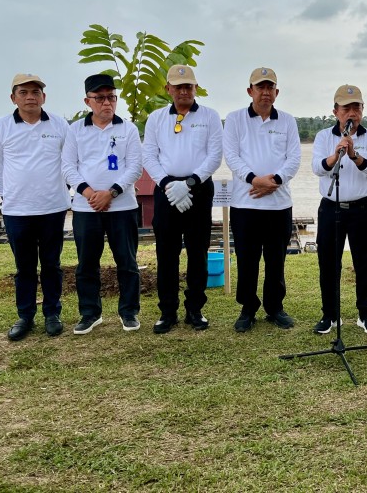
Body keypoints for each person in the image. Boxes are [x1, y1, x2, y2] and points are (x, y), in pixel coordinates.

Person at [0, 73, 70, 341]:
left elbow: (70, 163)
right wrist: (7, 195)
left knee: (51, 264)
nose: (30, 96)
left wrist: (66, 191)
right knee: (24, 267)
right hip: (17, 210)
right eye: (23, 92)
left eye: (36, 92)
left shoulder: (59, 124)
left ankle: (52, 314)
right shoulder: (0, 127)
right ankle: (25, 316)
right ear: (13, 98)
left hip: (53, 208)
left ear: (44, 97)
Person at [142, 65, 223, 334]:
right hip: (166, 192)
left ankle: (195, 310)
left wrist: (189, 184)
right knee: (166, 253)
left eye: (188, 86)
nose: (184, 91)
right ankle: (168, 311)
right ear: (168, 89)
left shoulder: (210, 117)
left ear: (195, 88)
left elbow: (214, 156)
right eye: (178, 86)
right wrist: (168, 185)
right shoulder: (155, 118)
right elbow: (149, 156)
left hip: (198, 190)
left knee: (198, 252)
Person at [62, 74, 143, 334]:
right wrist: (89, 193)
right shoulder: (75, 129)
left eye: (111, 97)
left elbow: (135, 167)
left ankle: (129, 312)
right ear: (88, 101)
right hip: (87, 208)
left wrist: (111, 192)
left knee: (127, 262)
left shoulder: (128, 129)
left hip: (122, 206)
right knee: (87, 263)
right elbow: (68, 167)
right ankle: (89, 313)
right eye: (100, 98)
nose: (106, 103)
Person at [223, 67, 302, 332]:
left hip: (279, 204)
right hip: (245, 204)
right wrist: (253, 179)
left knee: (276, 259)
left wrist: (275, 181)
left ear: (276, 93)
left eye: (270, 88)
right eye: (260, 87)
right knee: (247, 259)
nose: (265, 92)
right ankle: (247, 308)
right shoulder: (234, 120)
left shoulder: (288, 121)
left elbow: (294, 158)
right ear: (250, 91)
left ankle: (275, 307)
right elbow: (231, 157)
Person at [311, 84, 367, 335]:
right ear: (336, 111)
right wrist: (336, 154)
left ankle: (366, 314)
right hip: (331, 207)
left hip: (362, 208)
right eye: (346, 108)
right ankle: (330, 315)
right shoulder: (323, 137)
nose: (352, 113)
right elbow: (318, 168)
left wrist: (354, 155)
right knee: (328, 262)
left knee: (365, 262)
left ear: (363, 110)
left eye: (357, 107)